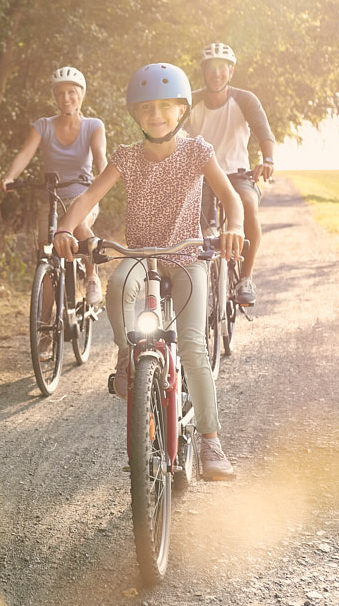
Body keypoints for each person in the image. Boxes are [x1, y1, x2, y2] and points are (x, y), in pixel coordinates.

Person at [53, 63, 245, 481]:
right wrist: (66, 227)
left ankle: (211, 441)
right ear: (135, 115)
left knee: (192, 345)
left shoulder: (198, 152)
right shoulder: (126, 157)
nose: (155, 115)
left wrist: (234, 226)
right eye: (145, 109)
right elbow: (88, 196)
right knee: (119, 284)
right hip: (139, 253)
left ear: (181, 110)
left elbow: (231, 198)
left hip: (186, 256)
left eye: (164, 107)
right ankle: (127, 354)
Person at [0, 66, 108, 305]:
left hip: (83, 197)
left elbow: (100, 156)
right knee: (46, 258)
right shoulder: (43, 126)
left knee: (78, 224)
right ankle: (46, 332)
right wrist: (9, 176)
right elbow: (25, 154)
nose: (66, 98)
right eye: (60, 93)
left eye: (71, 92)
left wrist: (104, 175)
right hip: (50, 201)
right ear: (54, 97)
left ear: (82, 94)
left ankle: (91, 277)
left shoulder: (93, 125)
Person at [185, 43, 276, 306]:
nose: (216, 73)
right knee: (201, 229)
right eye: (210, 68)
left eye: (221, 68)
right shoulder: (190, 101)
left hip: (237, 174)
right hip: (200, 176)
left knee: (248, 205)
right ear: (203, 71)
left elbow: (263, 133)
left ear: (231, 71)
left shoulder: (245, 99)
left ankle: (245, 278)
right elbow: (171, 132)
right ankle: (201, 278)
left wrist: (267, 160)